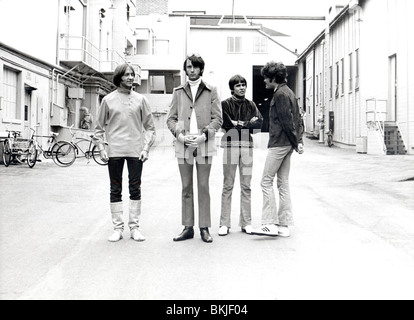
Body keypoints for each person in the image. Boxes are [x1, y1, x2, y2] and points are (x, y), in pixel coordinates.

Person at [94, 63, 156, 242]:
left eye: (133, 74)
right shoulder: (107, 100)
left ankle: (135, 227)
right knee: (115, 189)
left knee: (135, 188)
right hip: (114, 150)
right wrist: (101, 148)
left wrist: (146, 148)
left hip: (136, 151)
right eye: (127, 75)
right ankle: (117, 228)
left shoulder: (141, 100)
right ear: (119, 77)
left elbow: (150, 127)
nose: (131, 77)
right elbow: (98, 129)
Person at [167, 54, 222, 243]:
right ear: (185, 69)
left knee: (203, 186)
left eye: (195, 67)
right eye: (188, 67)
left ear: (201, 69)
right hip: (183, 145)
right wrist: (179, 135)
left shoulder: (211, 91)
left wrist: (204, 135)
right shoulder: (178, 91)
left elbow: (218, 119)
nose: (192, 70)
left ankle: (204, 228)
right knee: (186, 187)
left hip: (204, 144)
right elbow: (171, 118)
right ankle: (188, 227)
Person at [251, 61, 304, 238]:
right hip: (287, 144)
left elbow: (287, 122)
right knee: (283, 183)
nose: (264, 80)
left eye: (266, 77)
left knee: (266, 181)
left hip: (280, 143)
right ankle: (284, 225)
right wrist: (298, 142)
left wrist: (295, 143)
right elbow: (298, 119)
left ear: (273, 77)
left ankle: (269, 223)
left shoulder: (280, 94)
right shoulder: (289, 92)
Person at [219, 75, 263, 236]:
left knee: (246, 186)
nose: (242, 87)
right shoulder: (224, 104)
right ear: (232, 88)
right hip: (230, 146)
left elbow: (258, 125)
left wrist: (239, 123)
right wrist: (246, 123)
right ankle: (224, 224)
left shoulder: (251, 104)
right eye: (238, 85)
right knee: (228, 185)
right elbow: (224, 124)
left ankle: (246, 222)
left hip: (247, 147)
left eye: (243, 85)